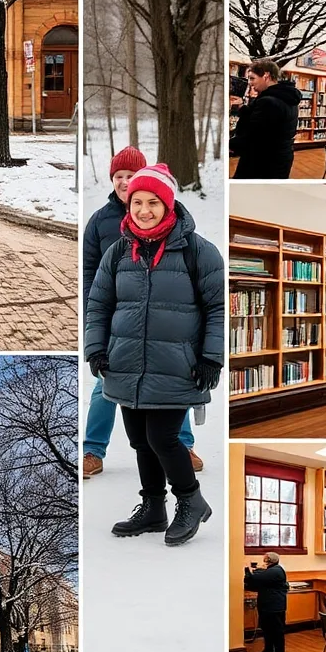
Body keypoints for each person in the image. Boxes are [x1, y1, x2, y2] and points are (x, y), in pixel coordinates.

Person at [85, 165, 224, 547]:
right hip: (125, 362)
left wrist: (212, 357)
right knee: (139, 440)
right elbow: (99, 304)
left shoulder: (199, 251)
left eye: (152, 202)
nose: (144, 210)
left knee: (163, 437)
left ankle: (191, 500)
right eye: (136, 202)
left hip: (177, 365)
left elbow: (217, 309)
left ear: (168, 203)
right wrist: (96, 347)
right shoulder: (118, 251)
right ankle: (153, 507)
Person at [81, 146, 200, 480]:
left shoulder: (169, 219)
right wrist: (95, 316)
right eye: (118, 176)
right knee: (104, 384)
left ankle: (183, 444)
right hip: (118, 319)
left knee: (173, 380)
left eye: (130, 176)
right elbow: (90, 271)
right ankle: (92, 449)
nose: (124, 182)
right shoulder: (100, 221)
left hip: (160, 316)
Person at [229, 59, 303, 180]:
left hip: (262, 163)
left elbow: (254, 135)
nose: (250, 83)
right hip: (279, 160)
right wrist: (242, 107)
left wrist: (228, 145)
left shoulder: (268, 101)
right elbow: (267, 125)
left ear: (266, 76)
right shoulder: (287, 98)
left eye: (253, 78)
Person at [244, 553, 289, 652]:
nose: (264, 561)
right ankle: (268, 650)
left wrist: (248, 572)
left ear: (270, 560)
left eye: (266, 559)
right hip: (267, 605)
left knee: (276, 630)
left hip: (274, 606)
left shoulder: (275, 570)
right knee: (267, 628)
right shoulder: (271, 570)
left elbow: (254, 579)